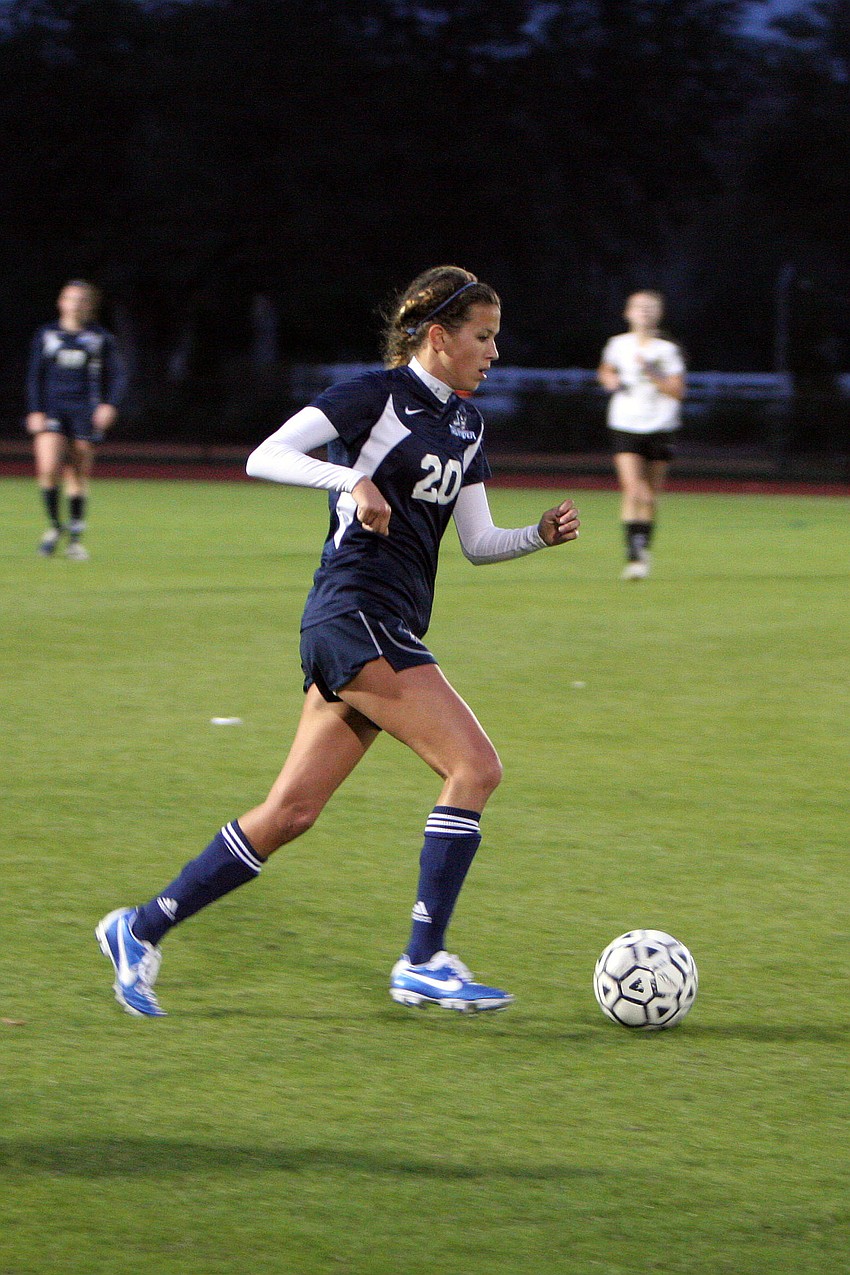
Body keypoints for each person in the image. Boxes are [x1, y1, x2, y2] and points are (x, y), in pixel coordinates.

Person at [95, 264, 580, 1018]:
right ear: (438, 335)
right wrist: (348, 480)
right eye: (482, 337)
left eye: (496, 338)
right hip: (354, 613)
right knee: (475, 766)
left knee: (289, 812)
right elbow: (266, 455)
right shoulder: (375, 395)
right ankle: (423, 960)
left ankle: (139, 926)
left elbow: (479, 543)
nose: (493, 353)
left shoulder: (467, 423)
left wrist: (538, 537)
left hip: (379, 624)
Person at [25, 279, 126, 560]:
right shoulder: (46, 335)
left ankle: (75, 540)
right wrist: (34, 409)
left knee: (77, 473)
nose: (75, 304)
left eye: (82, 300)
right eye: (70, 298)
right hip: (53, 409)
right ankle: (55, 527)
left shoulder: (100, 338)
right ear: (61, 302)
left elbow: (118, 376)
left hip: (84, 411)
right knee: (48, 468)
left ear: (90, 306)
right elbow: (35, 376)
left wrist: (110, 405)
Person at [597, 290, 685, 579]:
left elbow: (677, 391)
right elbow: (606, 371)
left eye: (650, 308)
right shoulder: (617, 345)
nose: (644, 312)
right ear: (628, 313)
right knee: (634, 488)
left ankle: (641, 551)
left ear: (658, 314)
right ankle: (634, 555)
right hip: (625, 422)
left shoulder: (667, 350)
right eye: (639, 307)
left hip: (661, 425)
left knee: (650, 495)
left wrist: (652, 373)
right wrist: (609, 379)